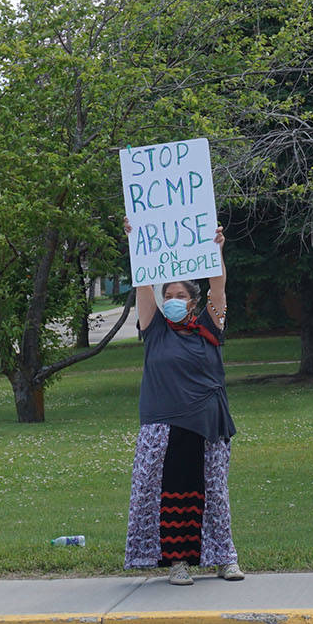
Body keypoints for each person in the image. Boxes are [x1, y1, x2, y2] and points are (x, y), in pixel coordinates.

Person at [123, 227, 241, 585]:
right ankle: (178, 562)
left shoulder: (209, 328)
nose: (171, 299)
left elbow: (218, 288)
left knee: (213, 494)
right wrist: (136, 243)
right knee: (173, 493)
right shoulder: (156, 328)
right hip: (164, 426)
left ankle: (224, 559)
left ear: (192, 302)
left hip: (207, 424)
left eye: (179, 295)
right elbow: (144, 286)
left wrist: (217, 249)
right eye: (167, 294)